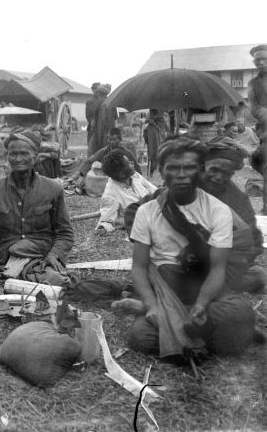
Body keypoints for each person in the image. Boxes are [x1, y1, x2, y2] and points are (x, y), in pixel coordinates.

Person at [127, 137, 256, 359]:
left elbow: (225, 264)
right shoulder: (152, 206)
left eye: (189, 168)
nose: (181, 174)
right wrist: (151, 306)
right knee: (140, 338)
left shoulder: (224, 207)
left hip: (209, 284)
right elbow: (139, 265)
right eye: (173, 168)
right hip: (168, 286)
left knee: (239, 309)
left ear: (198, 169)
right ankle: (189, 324)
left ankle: (186, 322)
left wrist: (203, 303)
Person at [0, 130, 74, 287]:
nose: (18, 159)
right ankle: (10, 280)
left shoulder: (52, 188)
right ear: (7, 156)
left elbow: (65, 233)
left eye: (24, 153)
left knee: (59, 283)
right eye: (13, 154)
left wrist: (54, 254)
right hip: (4, 261)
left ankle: (13, 281)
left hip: (40, 260)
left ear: (35, 156)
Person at [198, 139, 266, 292]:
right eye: (214, 170)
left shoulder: (237, 198)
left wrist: (233, 261)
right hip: (179, 258)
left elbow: (254, 240)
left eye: (226, 173)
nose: (219, 177)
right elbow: (138, 210)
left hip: (220, 263)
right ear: (204, 166)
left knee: (259, 276)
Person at [95, 149, 157, 234]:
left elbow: (154, 190)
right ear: (122, 174)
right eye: (129, 163)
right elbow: (106, 220)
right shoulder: (110, 194)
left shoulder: (134, 176)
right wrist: (103, 228)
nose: (132, 163)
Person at [89, 84, 116, 154]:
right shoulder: (110, 103)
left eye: (98, 94)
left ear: (100, 94)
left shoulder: (103, 105)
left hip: (103, 132)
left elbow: (103, 122)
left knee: (103, 148)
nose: (97, 96)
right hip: (107, 131)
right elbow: (115, 118)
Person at [143, 111, 168, 176]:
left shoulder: (163, 119)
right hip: (153, 134)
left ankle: (160, 170)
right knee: (153, 154)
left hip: (160, 134)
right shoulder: (150, 128)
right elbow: (147, 120)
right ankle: (152, 171)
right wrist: (151, 121)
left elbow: (166, 127)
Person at [85, 83, 102, 154]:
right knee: (92, 147)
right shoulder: (90, 101)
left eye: (99, 90)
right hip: (93, 127)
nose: (98, 92)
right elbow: (88, 115)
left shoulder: (103, 100)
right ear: (93, 90)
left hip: (102, 127)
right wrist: (92, 121)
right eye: (96, 90)